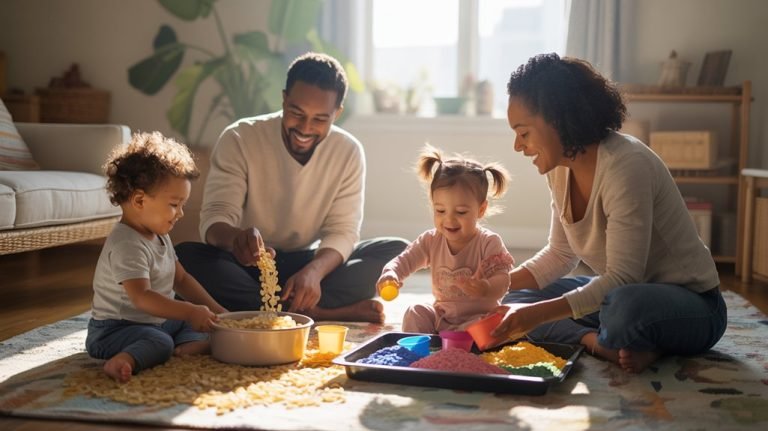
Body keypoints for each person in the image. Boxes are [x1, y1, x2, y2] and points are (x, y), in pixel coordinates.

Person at [491, 53, 726, 373]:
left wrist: (538, 315)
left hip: (692, 303)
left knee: (620, 309)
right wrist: (495, 284)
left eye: (523, 132)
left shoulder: (626, 165)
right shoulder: (559, 167)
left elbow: (624, 278)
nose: (518, 146)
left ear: (558, 119)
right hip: (620, 292)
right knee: (514, 299)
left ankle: (635, 338)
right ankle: (597, 341)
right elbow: (560, 254)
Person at [176, 52, 408, 323]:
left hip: (307, 263)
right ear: (284, 99)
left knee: (398, 252)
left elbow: (342, 231)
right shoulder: (239, 137)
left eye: (320, 119)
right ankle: (316, 312)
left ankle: (270, 309)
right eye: (297, 113)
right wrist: (236, 239)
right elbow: (215, 218)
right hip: (248, 265)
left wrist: (314, 272)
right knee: (185, 257)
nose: (305, 128)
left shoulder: (348, 151)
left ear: (337, 113)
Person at [86, 132, 228, 383]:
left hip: (153, 322)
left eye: (182, 205)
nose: (180, 213)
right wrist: (190, 311)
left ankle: (187, 346)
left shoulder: (159, 235)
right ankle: (123, 360)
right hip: (114, 330)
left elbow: (181, 279)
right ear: (140, 200)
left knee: (193, 322)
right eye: (174, 205)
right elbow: (141, 297)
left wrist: (217, 312)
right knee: (160, 341)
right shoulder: (127, 244)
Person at [376, 145, 515, 333]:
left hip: (478, 319)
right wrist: (391, 273)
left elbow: (503, 280)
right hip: (442, 318)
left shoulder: (489, 242)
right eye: (440, 211)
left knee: (492, 325)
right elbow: (405, 260)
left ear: (481, 210)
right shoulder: (430, 240)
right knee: (415, 311)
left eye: (461, 212)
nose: (449, 219)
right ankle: (424, 346)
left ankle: (457, 341)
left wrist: (486, 287)